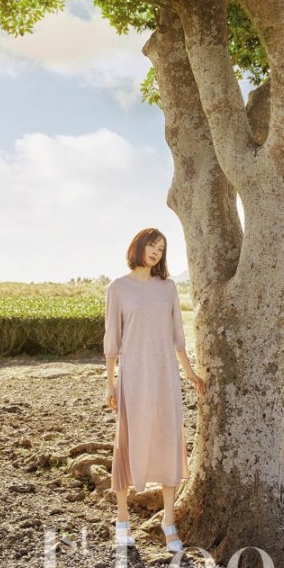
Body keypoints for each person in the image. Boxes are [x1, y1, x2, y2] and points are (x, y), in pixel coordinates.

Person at [103, 227, 206, 551]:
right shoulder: (118, 288)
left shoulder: (168, 288)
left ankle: (169, 521)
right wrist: (110, 385)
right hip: (133, 375)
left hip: (165, 376)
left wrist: (189, 373)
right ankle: (122, 519)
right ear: (138, 247)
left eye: (161, 248)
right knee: (127, 443)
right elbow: (112, 341)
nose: (156, 251)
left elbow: (177, 335)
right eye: (152, 244)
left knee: (167, 440)